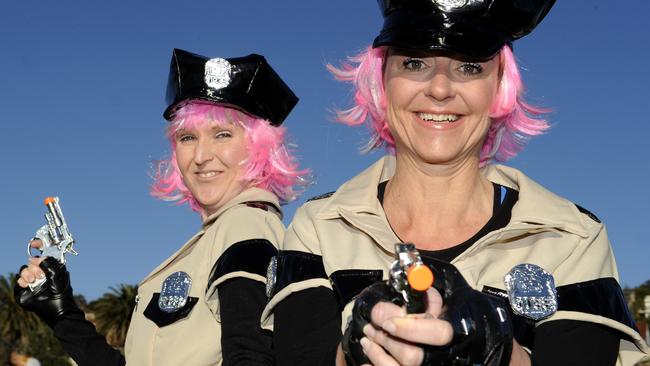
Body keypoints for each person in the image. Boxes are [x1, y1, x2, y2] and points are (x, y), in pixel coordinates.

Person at [263, 1, 650, 365]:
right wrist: (357, 348)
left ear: (500, 86)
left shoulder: (573, 238)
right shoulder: (317, 228)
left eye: (469, 66)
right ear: (382, 83)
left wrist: (497, 347)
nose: (440, 88)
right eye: (414, 62)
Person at [15, 48, 307, 365]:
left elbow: (250, 356)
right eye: (187, 138)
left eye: (222, 134)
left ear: (259, 148)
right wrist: (63, 314)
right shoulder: (214, 240)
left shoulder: (246, 225)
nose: (200, 156)